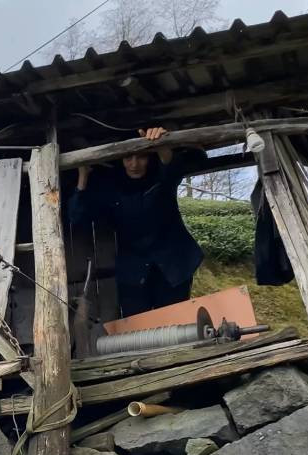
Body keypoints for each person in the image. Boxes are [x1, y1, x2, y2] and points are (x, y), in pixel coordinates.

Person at [69, 126, 206, 317]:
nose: (134, 164)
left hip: (172, 264)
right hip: (133, 270)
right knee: (138, 326)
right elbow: (77, 217)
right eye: (128, 158)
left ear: (150, 158)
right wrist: (83, 175)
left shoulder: (161, 177)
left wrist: (161, 144)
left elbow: (172, 169)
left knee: (177, 321)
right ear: (120, 159)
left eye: (141, 157)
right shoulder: (110, 187)